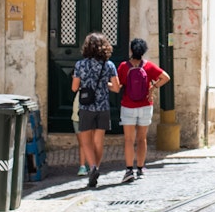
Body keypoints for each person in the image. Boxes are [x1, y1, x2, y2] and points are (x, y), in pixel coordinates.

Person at [70, 32, 120, 189]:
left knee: (86, 142)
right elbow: (117, 88)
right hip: (103, 107)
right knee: (98, 141)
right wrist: (104, 84)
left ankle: (91, 168)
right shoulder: (109, 65)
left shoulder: (80, 65)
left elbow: (74, 88)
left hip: (86, 107)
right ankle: (96, 169)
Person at [117, 38, 170, 182]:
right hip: (146, 105)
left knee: (129, 139)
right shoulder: (149, 66)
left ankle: (129, 170)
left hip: (128, 106)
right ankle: (140, 168)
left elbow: (119, 85)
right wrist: (153, 87)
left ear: (131, 50)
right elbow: (166, 77)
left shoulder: (123, 66)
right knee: (142, 138)